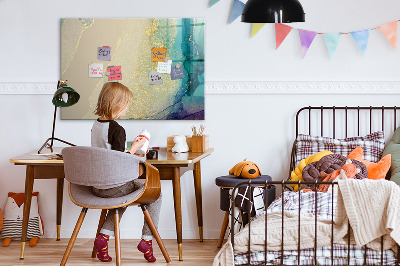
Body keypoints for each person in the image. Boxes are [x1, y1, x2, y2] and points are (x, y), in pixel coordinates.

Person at [91, 82, 162, 263]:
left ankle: (104, 238)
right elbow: (119, 161)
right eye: (126, 105)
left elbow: (108, 155)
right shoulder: (117, 129)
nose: (126, 109)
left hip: (97, 186)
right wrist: (135, 149)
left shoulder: (96, 125)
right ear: (117, 104)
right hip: (114, 186)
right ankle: (147, 240)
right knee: (156, 194)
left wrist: (132, 150)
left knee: (121, 198)